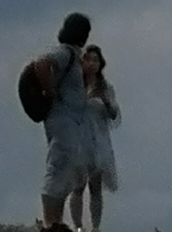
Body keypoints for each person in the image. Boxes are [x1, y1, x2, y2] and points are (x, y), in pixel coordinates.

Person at [25, 12, 92, 230]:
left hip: (70, 122)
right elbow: (41, 64)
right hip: (62, 120)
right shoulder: (64, 53)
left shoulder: (71, 55)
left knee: (67, 168)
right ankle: (49, 221)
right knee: (59, 165)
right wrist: (49, 90)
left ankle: (55, 220)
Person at [67, 45, 120, 230]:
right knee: (78, 186)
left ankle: (96, 227)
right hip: (79, 141)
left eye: (96, 60)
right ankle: (78, 227)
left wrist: (104, 100)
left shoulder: (105, 88)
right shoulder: (74, 87)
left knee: (96, 187)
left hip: (98, 142)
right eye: (89, 59)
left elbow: (114, 114)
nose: (92, 64)